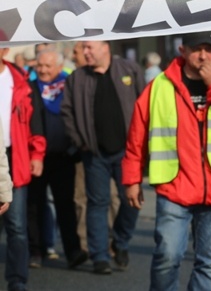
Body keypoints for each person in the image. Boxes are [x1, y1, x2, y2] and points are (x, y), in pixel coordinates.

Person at [122, 31, 211, 291]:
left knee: (208, 263)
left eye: (209, 49)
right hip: (175, 186)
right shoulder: (161, 85)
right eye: (197, 49)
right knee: (167, 257)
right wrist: (132, 179)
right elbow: (137, 134)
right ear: (183, 50)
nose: (203, 55)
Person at [61, 41, 145, 274]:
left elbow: (144, 104)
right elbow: (66, 111)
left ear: (105, 47)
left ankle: (120, 241)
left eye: (89, 47)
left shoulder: (129, 69)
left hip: (127, 152)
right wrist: (80, 142)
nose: (85, 52)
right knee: (97, 204)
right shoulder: (76, 78)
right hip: (94, 153)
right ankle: (100, 256)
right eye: (83, 48)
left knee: (132, 200)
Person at [27, 50, 88, 269]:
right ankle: (36, 251)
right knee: (35, 205)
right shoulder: (30, 87)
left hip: (64, 156)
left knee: (66, 205)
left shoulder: (69, 86)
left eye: (47, 66)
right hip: (35, 157)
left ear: (59, 66)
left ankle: (73, 251)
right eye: (39, 65)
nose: (42, 70)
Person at [0, 47, 46, 291]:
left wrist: (37, 153)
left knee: (17, 224)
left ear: (4, 50)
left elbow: (35, 120)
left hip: (13, 156)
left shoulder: (21, 81)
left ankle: (17, 280)